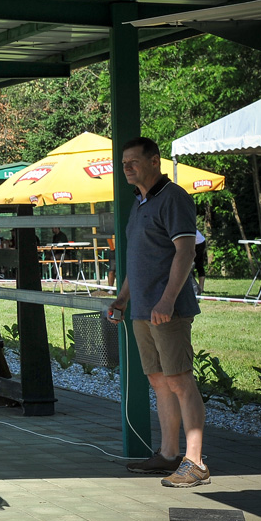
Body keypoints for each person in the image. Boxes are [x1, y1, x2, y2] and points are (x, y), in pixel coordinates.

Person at [108, 136, 209, 488]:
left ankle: (194, 462)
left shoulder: (174, 198)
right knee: (158, 380)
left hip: (170, 309)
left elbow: (185, 253)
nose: (127, 168)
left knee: (180, 379)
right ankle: (168, 455)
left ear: (155, 161)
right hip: (143, 311)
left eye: (134, 161)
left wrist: (166, 301)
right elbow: (138, 261)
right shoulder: (139, 203)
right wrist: (122, 299)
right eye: (124, 163)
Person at [193, 229, 207, 296]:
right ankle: (198, 288)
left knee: (191, 266)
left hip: (199, 243)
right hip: (199, 241)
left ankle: (200, 288)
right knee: (198, 266)